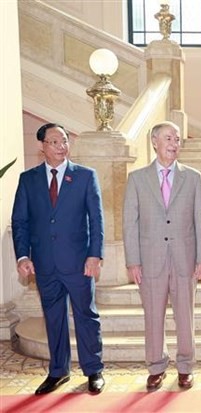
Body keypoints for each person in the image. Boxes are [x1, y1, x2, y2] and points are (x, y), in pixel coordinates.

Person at [11, 123, 105, 395]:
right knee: (53, 318)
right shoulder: (28, 180)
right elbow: (20, 221)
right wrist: (23, 255)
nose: (61, 146)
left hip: (79, 263)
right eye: (54, 142)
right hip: (44, 264)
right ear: (42, 147)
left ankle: (93, 370)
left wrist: (95, 255)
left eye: (64, 140)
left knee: (87, 315)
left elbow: (96, 219)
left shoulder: (86, 176)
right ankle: (58, 371)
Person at [123, 121, 201, 391]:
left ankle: (185, 366)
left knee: (185, 314)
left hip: (184, 258)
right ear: (155, 142)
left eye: (177, 138)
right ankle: (156, 366)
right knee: (153, 315)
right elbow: (130, 223)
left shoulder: (193, 177)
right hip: (150, 260)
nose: (174, 143)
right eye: (169, 138)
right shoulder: (137, 178)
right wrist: (133, 261)